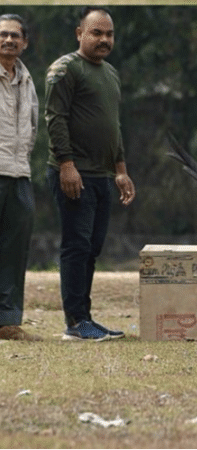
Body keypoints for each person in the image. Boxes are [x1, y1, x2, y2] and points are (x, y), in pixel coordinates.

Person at [45, 6, 136, 341]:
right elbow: (55, 119)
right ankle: (75, 322)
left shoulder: (110, 73)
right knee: (76, 246)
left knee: (93, 247)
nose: (104, 39)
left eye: (109, 34)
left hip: (101, 176)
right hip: (73, 173)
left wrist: (121, 171)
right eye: (96, 32)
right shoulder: (65, 69)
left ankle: (85, 318)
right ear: (79, 33)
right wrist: (66, 165)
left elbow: (113, 127)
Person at [0, 13, 41, 342]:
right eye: (3, 35)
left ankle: (8, 322)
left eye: (15, 36)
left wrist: (24, 159)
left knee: (14, 251)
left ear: (24, 43)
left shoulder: (27, 80)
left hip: (19, 173)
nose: (8, 40)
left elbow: (33, 127)